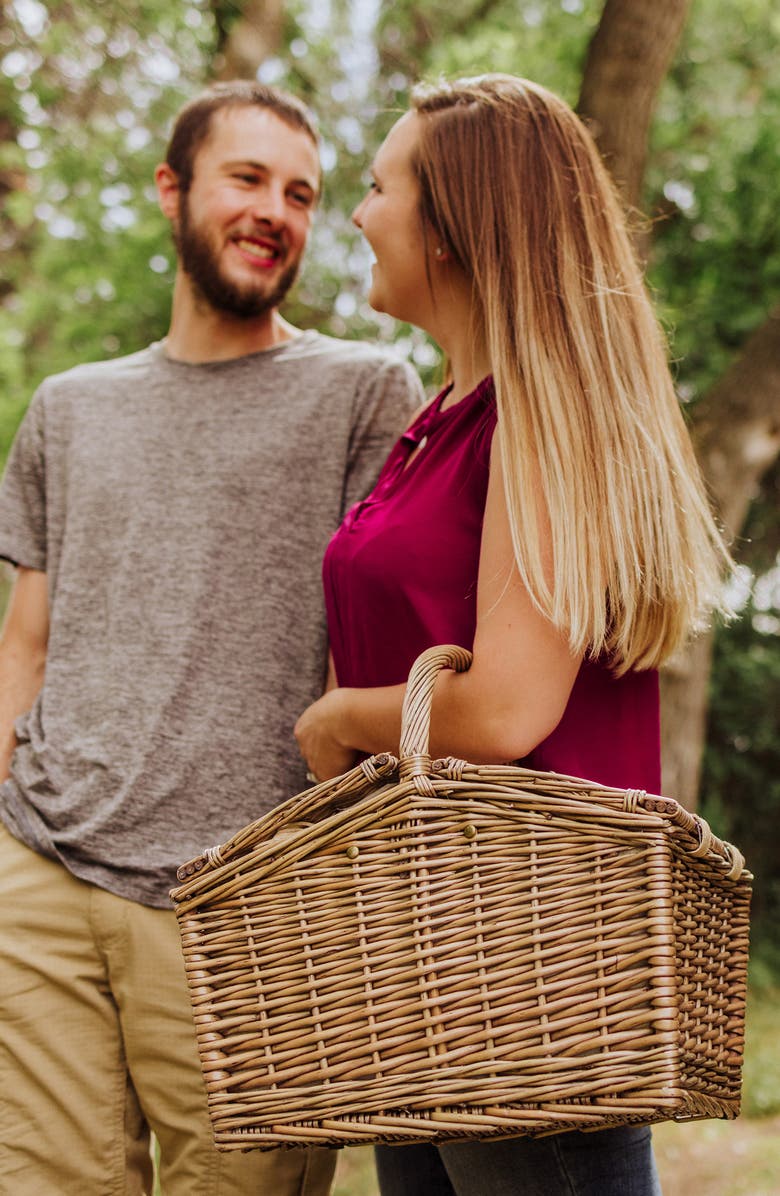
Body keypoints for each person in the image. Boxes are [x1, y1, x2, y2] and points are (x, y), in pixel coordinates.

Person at [294, 74, 733, 1196]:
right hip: (429, 956)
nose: (358, 214)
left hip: (530, 963)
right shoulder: (436, 424)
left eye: (379, 187)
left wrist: (335, 721)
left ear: (451, 225)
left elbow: (502, 711)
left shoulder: (535, 422)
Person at [0, 80, 422, 1195]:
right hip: (39, 879)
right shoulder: (68, 407)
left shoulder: (366, 391)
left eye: (302, 194)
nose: (274, 211)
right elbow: (23, 646)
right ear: (171, 190)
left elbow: (365, 653)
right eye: (247, 178)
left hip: (249, 904)